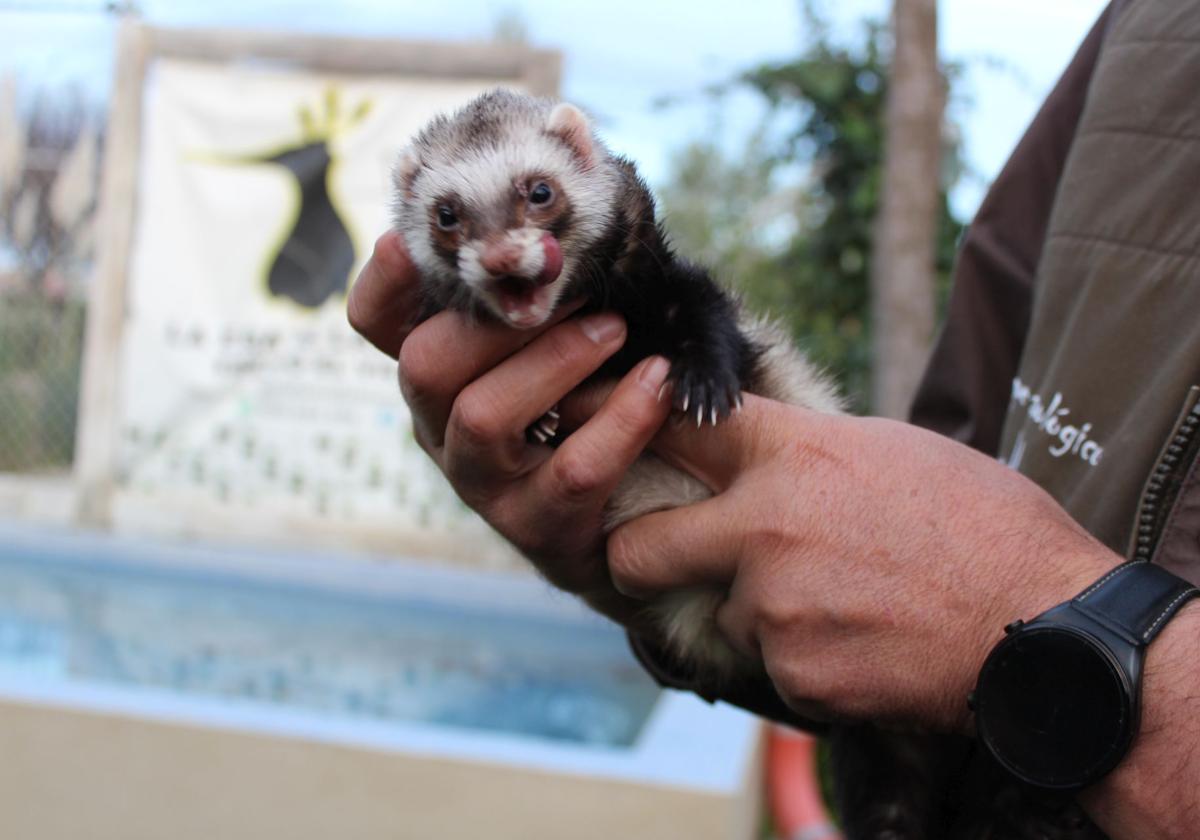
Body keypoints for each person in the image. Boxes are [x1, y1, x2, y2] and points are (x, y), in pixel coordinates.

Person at [348, 1, 1199, 836]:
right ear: (414, 220)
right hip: (825, 663)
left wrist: (1063, 645)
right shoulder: (1135, 26)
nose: (500, 242)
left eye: (537, 195)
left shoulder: (662, 296)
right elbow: (950, 442)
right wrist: (618, 575)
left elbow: (708, 328)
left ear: (583, 161)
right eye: (452, 218)